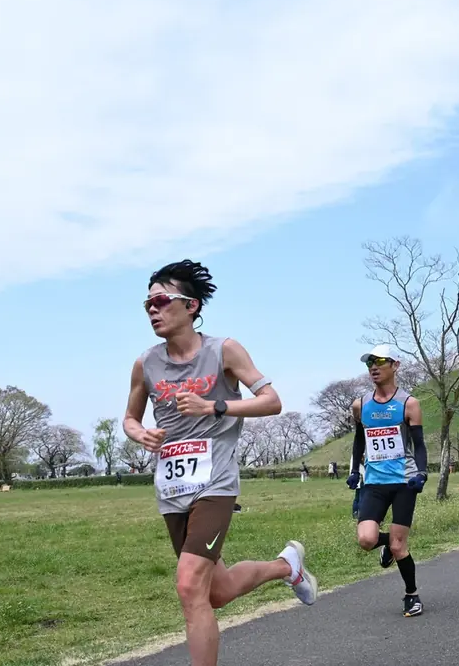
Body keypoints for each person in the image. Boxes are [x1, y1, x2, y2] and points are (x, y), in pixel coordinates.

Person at [122, 259, 317, 666]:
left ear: (191, 305)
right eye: (148, 304)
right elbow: (130, 419)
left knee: (188, 585)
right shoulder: (146, 363)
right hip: (172, 487)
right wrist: (141, 434)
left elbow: (271, 401)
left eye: (161, 300)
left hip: (216, 484)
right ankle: (286, 567)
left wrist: (214, 406)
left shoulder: (223, 350)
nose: (153, 309)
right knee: (217, 591)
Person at [347, 344, 428, 617]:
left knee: (398, 545)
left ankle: (411, 595)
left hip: (404, 482)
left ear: (396, 365)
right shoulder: (360, 405)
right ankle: (388, 545)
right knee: (366, 539)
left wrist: (422, 473)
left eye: (380, 361)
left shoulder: (408, 404)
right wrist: (354, 471)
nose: (374, 367)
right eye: (370, 362)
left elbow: (419, 444)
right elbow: (359, 440)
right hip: (374, 482)